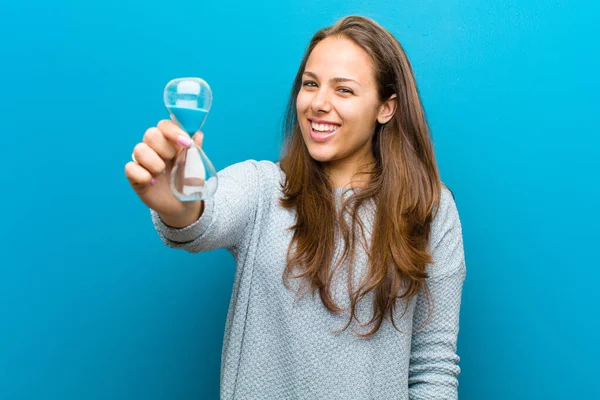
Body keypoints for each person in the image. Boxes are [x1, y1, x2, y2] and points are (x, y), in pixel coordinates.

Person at [125, 15, 466, 400]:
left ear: (386, 108)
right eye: (310, 84)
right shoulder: (262, 188)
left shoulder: (430, 209)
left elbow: (432, 365)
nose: (319, 104)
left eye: (344, 90)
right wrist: (176, 203)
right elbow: (203, 217)